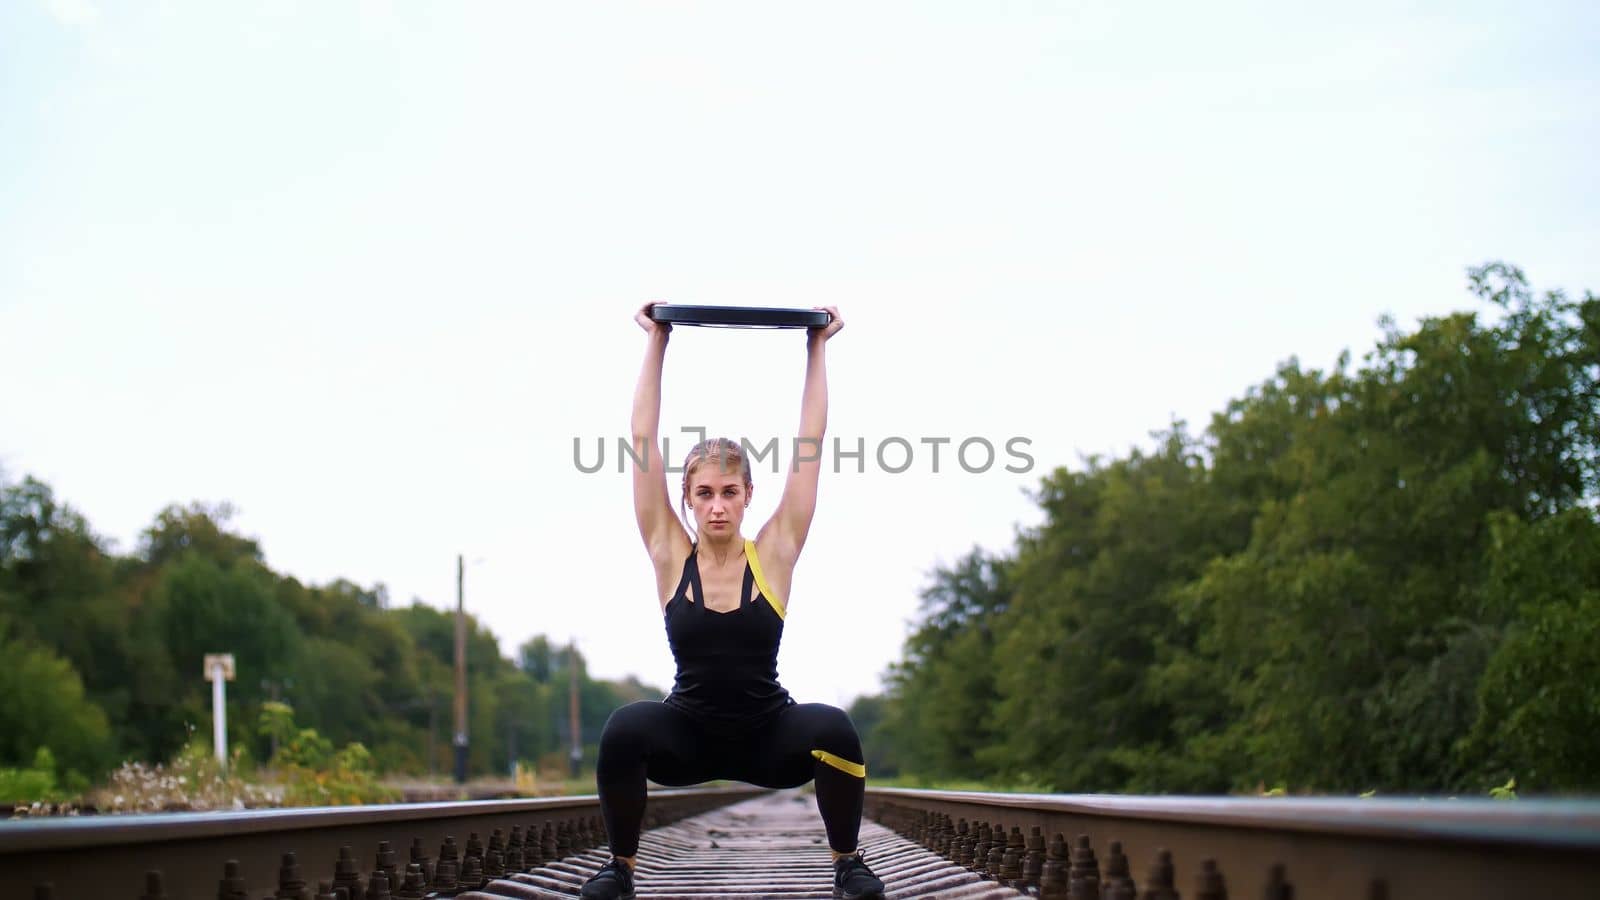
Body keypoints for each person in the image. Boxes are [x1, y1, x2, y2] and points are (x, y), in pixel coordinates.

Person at [579, 302, 884, 900]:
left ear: (748, 495)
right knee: (622, 729)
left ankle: (847, 864)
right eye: (704, 493)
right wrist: (656, 340)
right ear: (687, 499)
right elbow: (642, 439)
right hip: (687, 737)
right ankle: (620, 869)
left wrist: (816, 347)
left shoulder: (774, 554)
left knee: (838, 730)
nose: (716, 505)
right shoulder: (670, 553)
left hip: (769, 737)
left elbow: (810, 444)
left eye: (728, 492)